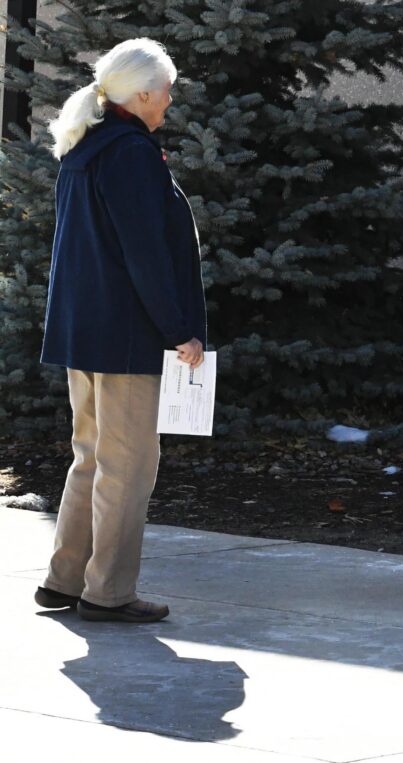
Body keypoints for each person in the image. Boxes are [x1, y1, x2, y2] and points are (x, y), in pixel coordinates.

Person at [33, 38, 207, 623]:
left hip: (83, 331)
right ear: (144, 94)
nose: (171, 101)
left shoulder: (86, 146)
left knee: (90, 458)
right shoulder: (131, 152)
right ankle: (107, 593)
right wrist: (179, 331)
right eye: (167, 92)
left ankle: (64, 581)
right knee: (126, 468)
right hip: (127, 337)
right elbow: (145, 255)